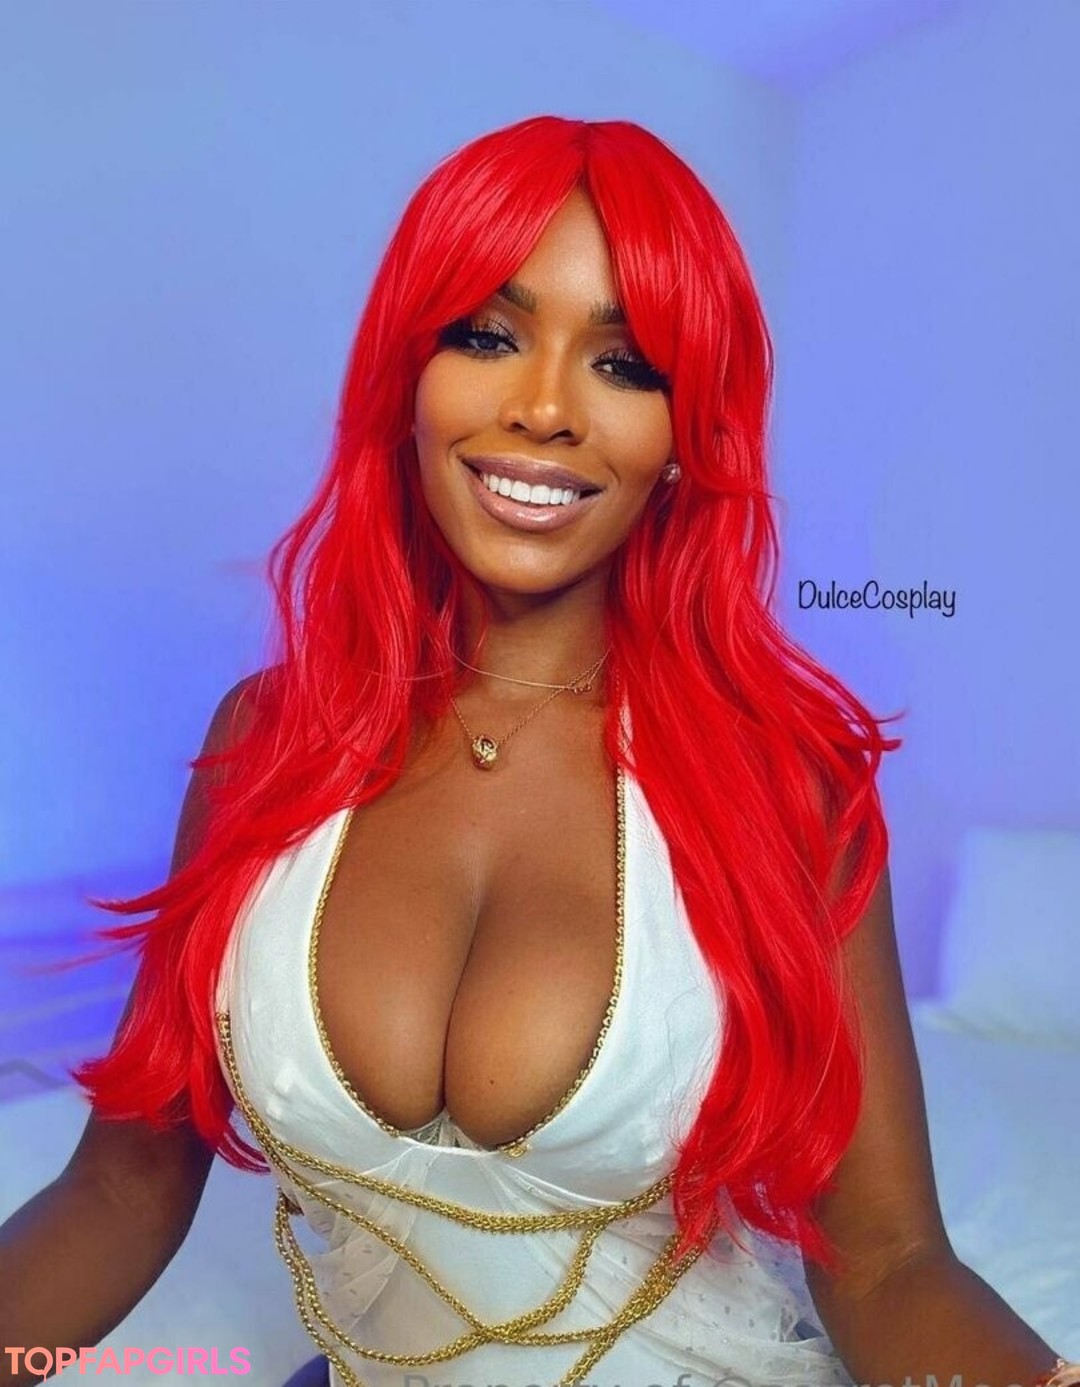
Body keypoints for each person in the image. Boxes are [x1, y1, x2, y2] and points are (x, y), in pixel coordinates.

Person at [0, 115, 1073, 1387]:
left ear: (688, 435)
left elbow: (890, 1262)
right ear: (408, 372)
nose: (548, 408)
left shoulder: (791, 785)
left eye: (626, 364)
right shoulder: (266, 735)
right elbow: (124, 1183)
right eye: (487, 335)